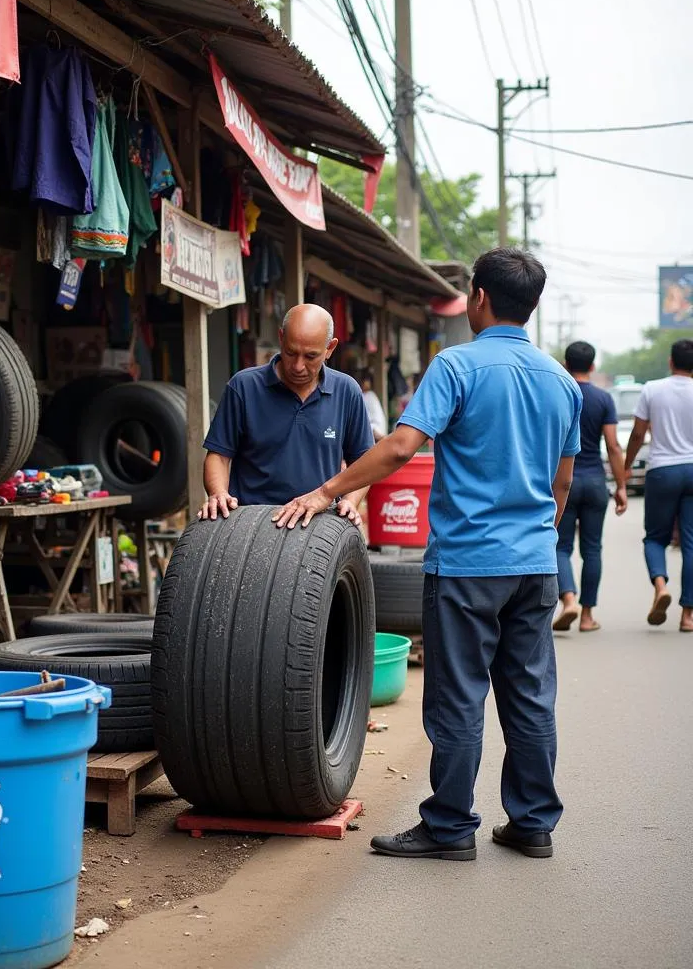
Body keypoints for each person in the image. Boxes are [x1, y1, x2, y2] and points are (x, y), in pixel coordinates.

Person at [274, 248, 581, 862]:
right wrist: (538, 536)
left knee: (459, 698)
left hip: (468, 563)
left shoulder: (457, 367)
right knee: (529, 696)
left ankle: (449, 828)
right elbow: (562, 481)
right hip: (535, 563)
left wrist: (328, 490)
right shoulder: (561, 381)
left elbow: (399, 448)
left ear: (480, 297)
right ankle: (533, 824)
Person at [198, 303, 374, 524]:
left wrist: (350, 500)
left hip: (319, 524)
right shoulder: (244, 386)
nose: (298, 366)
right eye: (291, 353)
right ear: (281, 338)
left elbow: (363, 462)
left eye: (310, 356)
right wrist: (218, 494)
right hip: (250, 523)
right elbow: (219, 455)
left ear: (330, 348)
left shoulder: (346, 391)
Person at [553, 341, 628, 633]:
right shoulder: (603, 399)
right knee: (592, 549)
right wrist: (621, 485)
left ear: (565, 364)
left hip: (563, 480)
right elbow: (612, 445)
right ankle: (586, 616)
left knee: (560, 546)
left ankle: (568, 599)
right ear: (593, 366)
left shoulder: (560, 394)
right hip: (596, 481)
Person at [624, 339, 693, 631]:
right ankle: (688, 615)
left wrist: (625, 468)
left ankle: (661, 586)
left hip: (662, 470)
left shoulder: (652, 389)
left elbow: (638, 434)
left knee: (655, 537)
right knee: (691, 543)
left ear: (670, 361)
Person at [359, 370, 388, 441]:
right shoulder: (364, 395)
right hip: (371, 429)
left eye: (367, 382)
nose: (365, 384)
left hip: (375, 430)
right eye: (364, 381)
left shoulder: (370, 396)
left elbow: (376, 419)